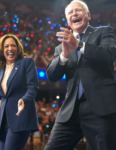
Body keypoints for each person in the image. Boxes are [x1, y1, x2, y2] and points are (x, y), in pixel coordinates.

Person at [45, 0, 116, 150]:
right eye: (70, 12)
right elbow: (51, 75)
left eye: (78, 11)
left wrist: (78, 45)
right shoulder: (61, 47)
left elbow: (108, 54)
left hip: (100, 108)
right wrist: (64, 54)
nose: (74, 14)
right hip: (70, 111)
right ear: (67, 21)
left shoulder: (103, 32)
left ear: (88, 15)